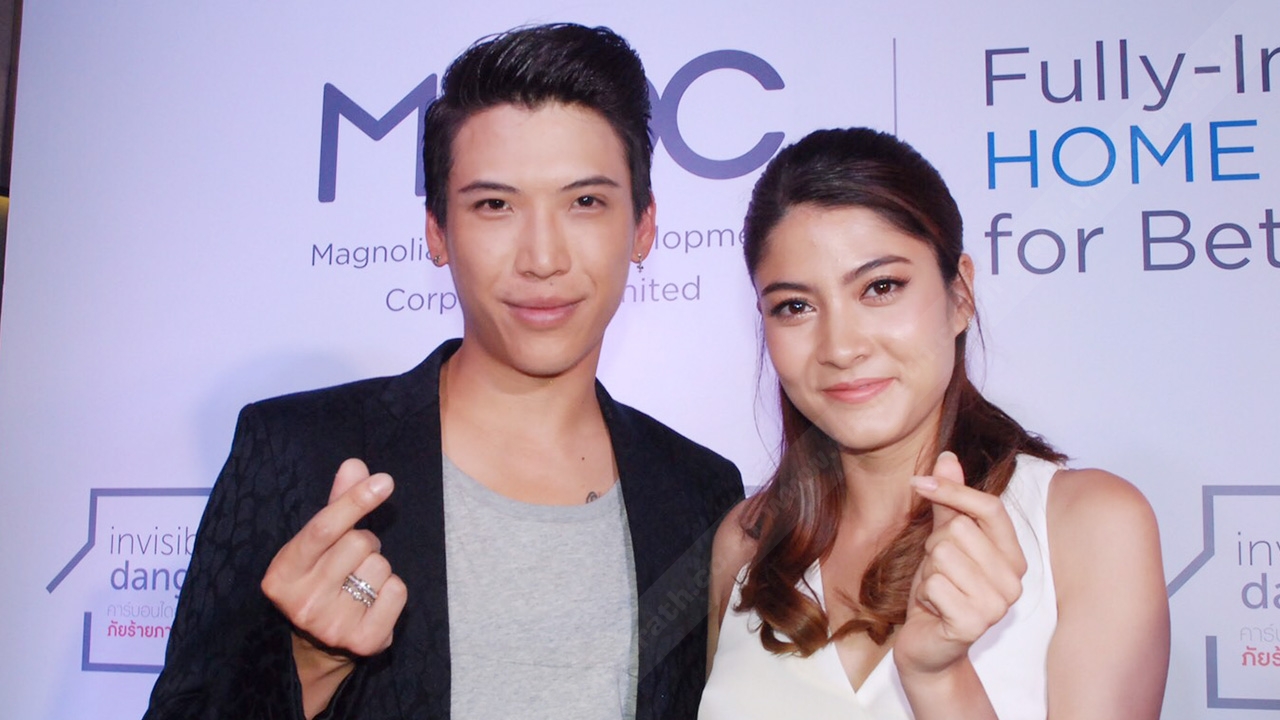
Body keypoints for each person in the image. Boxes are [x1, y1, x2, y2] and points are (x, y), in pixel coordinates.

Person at [144, 23, 743, 720]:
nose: (542, 258)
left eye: (585, 202)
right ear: (437, 232)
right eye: (495, 205)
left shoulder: (701, 493)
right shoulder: (295, 453)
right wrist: (308, 663)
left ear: (642, 227)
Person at [699, 128, 1169, 720]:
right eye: (795, 306)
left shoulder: (1089, 526)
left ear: (960, 295)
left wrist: (939, 679)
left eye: (881, 288)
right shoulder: (745, 542)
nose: (840, 347)